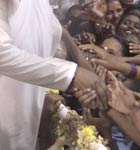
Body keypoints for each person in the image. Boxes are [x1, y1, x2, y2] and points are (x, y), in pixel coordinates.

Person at [0, 0, 107, 149]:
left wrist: (81, 65)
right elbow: (2, 53)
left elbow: (53, 34)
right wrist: (71, 75)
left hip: (24, 117)